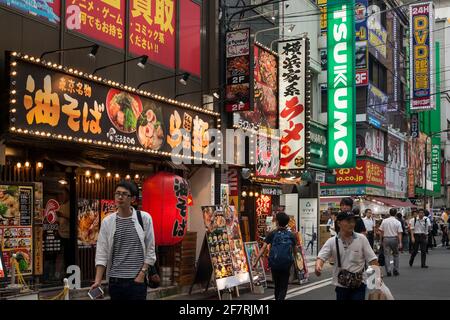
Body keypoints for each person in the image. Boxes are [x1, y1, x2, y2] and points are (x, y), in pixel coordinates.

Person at [91, 181, 157, 300]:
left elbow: (150, 249)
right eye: (117, 193)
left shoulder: (144, 218)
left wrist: (142, 274)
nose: (120, 197)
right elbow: (102, 253)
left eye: (125, 194)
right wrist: (98, 281)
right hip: (115, 282)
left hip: (137, 281)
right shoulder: (107, 222)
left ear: (133, 199)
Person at [315, 211, 379, 300]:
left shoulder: (362, 239)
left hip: (359, 284)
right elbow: (321, 257)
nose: (352, 224)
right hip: (341, 286)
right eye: (348, 221)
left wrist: (375, 284)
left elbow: (372, 260)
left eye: (353, 221)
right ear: (339, 223)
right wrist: (318, 266)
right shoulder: (332, 241)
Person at [254, 212, 297, 300]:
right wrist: (294, 260)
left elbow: (263, 248)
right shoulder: (291, 235)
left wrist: (256, 261)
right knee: (283, 286)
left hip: (275, 264)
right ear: (287, 223)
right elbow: (294, 250)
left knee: (277, 286)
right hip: (286, 264)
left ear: (277, 222)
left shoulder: (272, 234)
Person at [379, 208, 403, 277]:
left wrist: (381, 240)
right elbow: (399, 233)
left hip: (386, 238)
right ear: (395, 214)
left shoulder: (384, 221)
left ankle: (388, 271)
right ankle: (395, 270)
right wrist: (400, 242)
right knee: (396, 254)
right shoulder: (397, 222)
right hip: (394, 239)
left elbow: (381, 231)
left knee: (387, 255)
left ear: (389, 213)